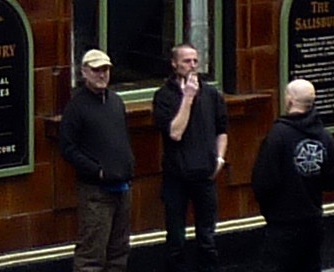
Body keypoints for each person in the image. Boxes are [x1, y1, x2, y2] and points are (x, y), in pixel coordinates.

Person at [252, 78, 334, 272]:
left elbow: (264, 182)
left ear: (290, 100)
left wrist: (269, 209)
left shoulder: (278, 135)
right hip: (313, 219)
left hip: (283, 222)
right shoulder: (325, 137)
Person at [153, 43, 229, 272]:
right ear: (174, 64)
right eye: (187, 61)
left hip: (205, 174)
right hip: (176, 176)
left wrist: (220, 159)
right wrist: (187, 98)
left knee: (207, 236)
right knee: (176, 237)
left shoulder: (211, 94)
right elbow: (175, 133)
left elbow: (222, 129)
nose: (193, 65)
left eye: (196, 60)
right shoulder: (164, 96)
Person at [59, 48, 135, 272]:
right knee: (92, 253)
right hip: (95, 192)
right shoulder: (76, 107)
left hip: (123, 187)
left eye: (106, 70)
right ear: (84, 72)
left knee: (119, 251)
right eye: (96, 70)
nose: (102, 75)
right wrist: (96, 171)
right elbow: (67, 148)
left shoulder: (116, 102)